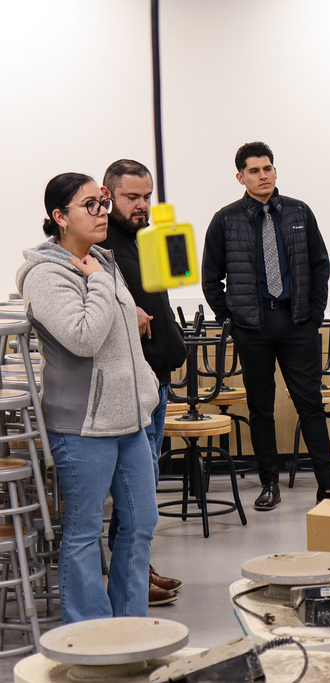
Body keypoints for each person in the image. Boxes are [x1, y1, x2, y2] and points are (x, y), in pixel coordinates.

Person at [16, 173, 160, 623]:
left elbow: (119, 335)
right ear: (60, 218)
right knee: (83, 535)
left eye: (102, 202)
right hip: (83, 426)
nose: (102, 212)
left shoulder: (101, 259)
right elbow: (83, 338)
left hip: (130, 420)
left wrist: (146, 392)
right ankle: (92, 637)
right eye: (90, 206)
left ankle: (132, 628)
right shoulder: (45, 274)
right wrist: (99, 283)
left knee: (139, 527)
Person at [202, 141, 330, 510]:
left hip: (297, 324)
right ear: (240, 177)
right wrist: (230, 319)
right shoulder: (225, 219)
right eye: (253, 171)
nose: (262, 176)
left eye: (267, 169)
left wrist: (313, 316)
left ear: (275, 171)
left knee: (310, 404)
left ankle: (329, 484)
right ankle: (269, 485)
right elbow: (210, 278)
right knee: (261, 408)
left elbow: (320, 265)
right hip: (253, 327)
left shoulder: (299, 212)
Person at [99, 159, 185, 606]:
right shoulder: (101, 246)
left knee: (144, 487)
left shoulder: (144, 239)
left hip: (158, 380)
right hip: (133, 385)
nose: (142, 204)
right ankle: (132, 575)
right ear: (108, 194)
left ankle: (139, 568)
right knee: (135, 488)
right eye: (132, 197)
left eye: (147, 196)